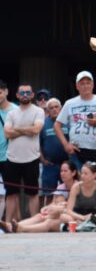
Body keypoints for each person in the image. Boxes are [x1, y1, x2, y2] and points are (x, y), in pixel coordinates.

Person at [54, 71, 96, 185]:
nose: (85, 86)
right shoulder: (69, 103)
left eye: (88, 83)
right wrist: (66, 145)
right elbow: (57, 125)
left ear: (92, 85)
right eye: (82, 83)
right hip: (77, 152)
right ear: (77, 86)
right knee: (77, 187)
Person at [0, 160, 79, 234]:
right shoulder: (60, 187)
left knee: (48, 220)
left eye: (65, 171)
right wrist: (46, 208)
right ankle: (12, 226)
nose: (62, 173)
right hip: (58, 215)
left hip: (70, 217)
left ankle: (20, 228)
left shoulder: (77, 186)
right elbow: (53, 204)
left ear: (73, 172)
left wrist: (59, 207)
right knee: (40, 216)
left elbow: (69, 207)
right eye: (61, 171)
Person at [3, 84, 44, 221]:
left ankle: (34, 223)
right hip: (12, 159)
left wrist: (17, 129)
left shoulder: (38, 111)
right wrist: (27, 129)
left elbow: (36, 130)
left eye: (27, 92)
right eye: (22, 93)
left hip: (31, 158)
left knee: (32, 193)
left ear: (32, 95)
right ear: (17, 95)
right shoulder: (11, 113)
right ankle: (8, 223)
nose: (25, 95)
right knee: (11, 193)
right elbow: (7, 134)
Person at [60, 160, 96, 229]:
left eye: (86, 174)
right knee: (63, 216)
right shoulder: (76, 187)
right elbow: (69, 210)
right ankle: (86, 226)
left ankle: (86, 226)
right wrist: (82, 217)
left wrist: (93, 217)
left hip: (93, 215)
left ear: (94, 175)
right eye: (82, 173)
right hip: (77, 215)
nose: (82, 176)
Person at [40, 97, 68, 198]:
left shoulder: (67, 122)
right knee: (48, 195)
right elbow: (38, 143)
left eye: (57, 107)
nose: (54, 109)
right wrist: (42, 159)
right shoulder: (43, 124)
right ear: (47, 111)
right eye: (51, 108)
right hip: (49, 165)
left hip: (66, 165)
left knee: (67, 194)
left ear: (61, 109)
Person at [0, 79, 17, 210]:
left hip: (10, 157)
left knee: (12, 193)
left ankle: (12, 223)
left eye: (0, 92)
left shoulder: (16, 110)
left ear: (6, 91)